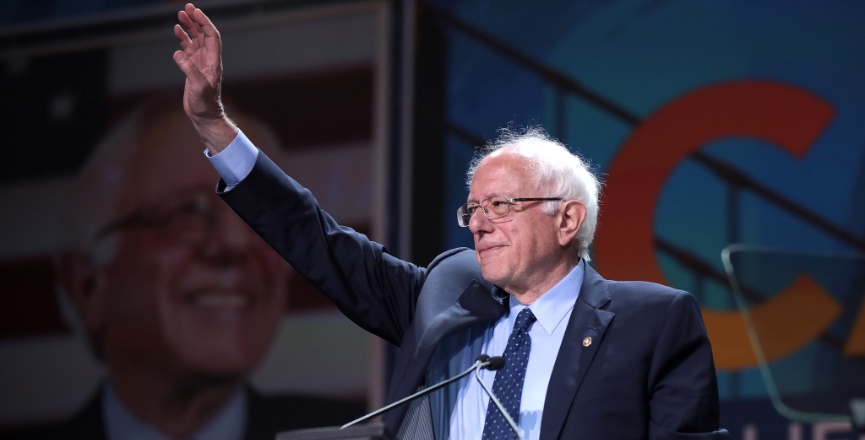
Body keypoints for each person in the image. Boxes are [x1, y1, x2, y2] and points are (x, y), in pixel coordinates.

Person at [172, 3, 730, 439]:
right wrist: (214, 125)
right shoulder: (447, 299)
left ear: (568, 221)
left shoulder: (652, 321)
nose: (479, 224)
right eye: (473, 209)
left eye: (501, 206)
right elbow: (321, 242)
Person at [7, 97, 365, 440]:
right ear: (87, 284)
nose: (236, 245)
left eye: (259, 219)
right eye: (189, 212)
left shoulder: (350, 435)